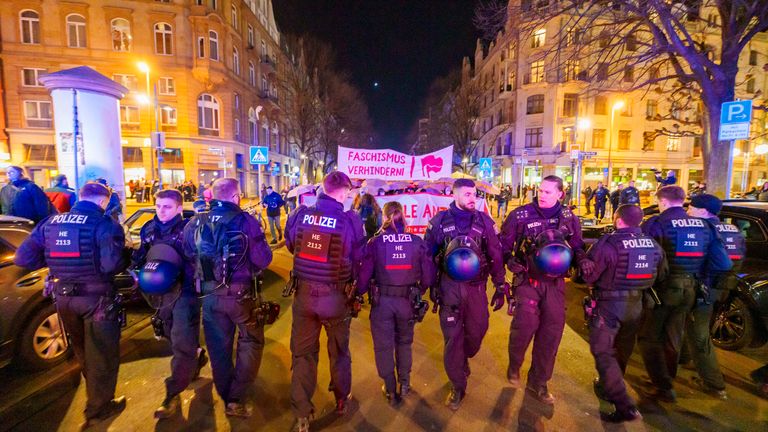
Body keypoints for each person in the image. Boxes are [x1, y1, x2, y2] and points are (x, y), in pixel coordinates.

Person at [14, 182, 129, 428]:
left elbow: (23, 257)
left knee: (81, 349)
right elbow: (111, 266)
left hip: (63, 299)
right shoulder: (105, 225)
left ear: (80, 197)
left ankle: (95, 395)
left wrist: (53, 263)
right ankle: (99, 408)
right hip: (97, 300)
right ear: (103, 201)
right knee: (103, 354)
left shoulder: (49, 223)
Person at [182, 178, 273, 417]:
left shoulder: (195, 222)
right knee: (251, 343)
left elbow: (189, 254)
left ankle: (226, 395)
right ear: (235, 197)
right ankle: (236, 396)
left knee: (218, 349)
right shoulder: (246, 221)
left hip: (210, 296)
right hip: (241, 296)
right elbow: (263, 259)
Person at [284, 171, 365, 432]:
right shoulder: (350, 219)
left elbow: (290, 244)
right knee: (339, 352)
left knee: (303, 354)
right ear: (343, 192)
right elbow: (359, 256)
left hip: (304, 296)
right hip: (335, 297)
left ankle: (302, 414)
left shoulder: (299, 214)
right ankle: (341, 400)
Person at [500, 175, 590, 405]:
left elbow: (577, 244)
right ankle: (514, 364)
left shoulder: (569, 218)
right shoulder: (519, 216)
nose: (541, 194)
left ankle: (538, 382)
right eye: (540, 190)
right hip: (528, 281)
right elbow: (503, 246)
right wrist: (509, 261)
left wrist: (582, 259)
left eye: (548, 192)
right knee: (524, 327)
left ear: (560, 193)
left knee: (551, 334)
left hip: (555, 284)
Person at [637, 186, 731, 402]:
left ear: (662, 201)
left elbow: (646, 256)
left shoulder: (656, 223)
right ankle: (667, 380)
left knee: (649, 337)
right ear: (683, 201)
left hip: (663, 290)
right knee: (673, 336)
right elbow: (723, 262)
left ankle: (663, 385)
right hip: (692, 290)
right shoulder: (706, 226)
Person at [424, 178, 507, 410]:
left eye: (475, 194)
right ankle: (457, 386)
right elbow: (428, 257)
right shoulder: (439, 222)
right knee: (453, 340)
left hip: (476, 288)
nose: (473, 198)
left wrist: (500, 285)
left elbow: (496, 255)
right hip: (449, 289)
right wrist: (429, 286)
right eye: (468, 194)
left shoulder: (485, 222)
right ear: (456, 195)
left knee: (477, 331)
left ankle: (464, 358)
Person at [582, 205, 667, 422]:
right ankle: (609, 385)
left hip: (609, 306)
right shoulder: (653, 244)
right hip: (636, 306)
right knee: (623, 349)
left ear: (617, 220)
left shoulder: (608, 243)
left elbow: (590, 275)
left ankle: (623, 405)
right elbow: (662, 273)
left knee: (603, 353)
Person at [132, 189, 208, 418]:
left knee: (181, 343)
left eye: (167, 206)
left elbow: (204, 259)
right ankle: (196, 355)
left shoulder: (190, 229)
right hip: (160, 294)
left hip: (185, 294)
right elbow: (141, 256)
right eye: (158, 206)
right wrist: (137, 271)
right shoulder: (149, 229)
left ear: (178, 207)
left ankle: (172, 395)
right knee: (168, 334)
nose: (161, 211)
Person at [357, 201, 436, 405]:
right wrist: (421, 290)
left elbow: (364, 276)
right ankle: (405, 382)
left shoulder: (375, 243)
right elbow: (428, 274)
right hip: (407, 302)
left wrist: (358, 293)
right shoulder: (416, 241)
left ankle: (390, 389)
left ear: (384, 218)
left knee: (383, 346)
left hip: (382, 302)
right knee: (404, 343)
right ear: (403, 216)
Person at [684, 194, 745, 399]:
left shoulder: (702, 230)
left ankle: (714, 383)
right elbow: (737, 261)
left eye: (691, 207)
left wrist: (702, 278)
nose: (688, 211)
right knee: (693, 327)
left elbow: (722, 263)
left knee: (700, 334)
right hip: (722, 289)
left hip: (705, 288)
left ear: (703, 211)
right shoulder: (734, 230)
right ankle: (683, 358)